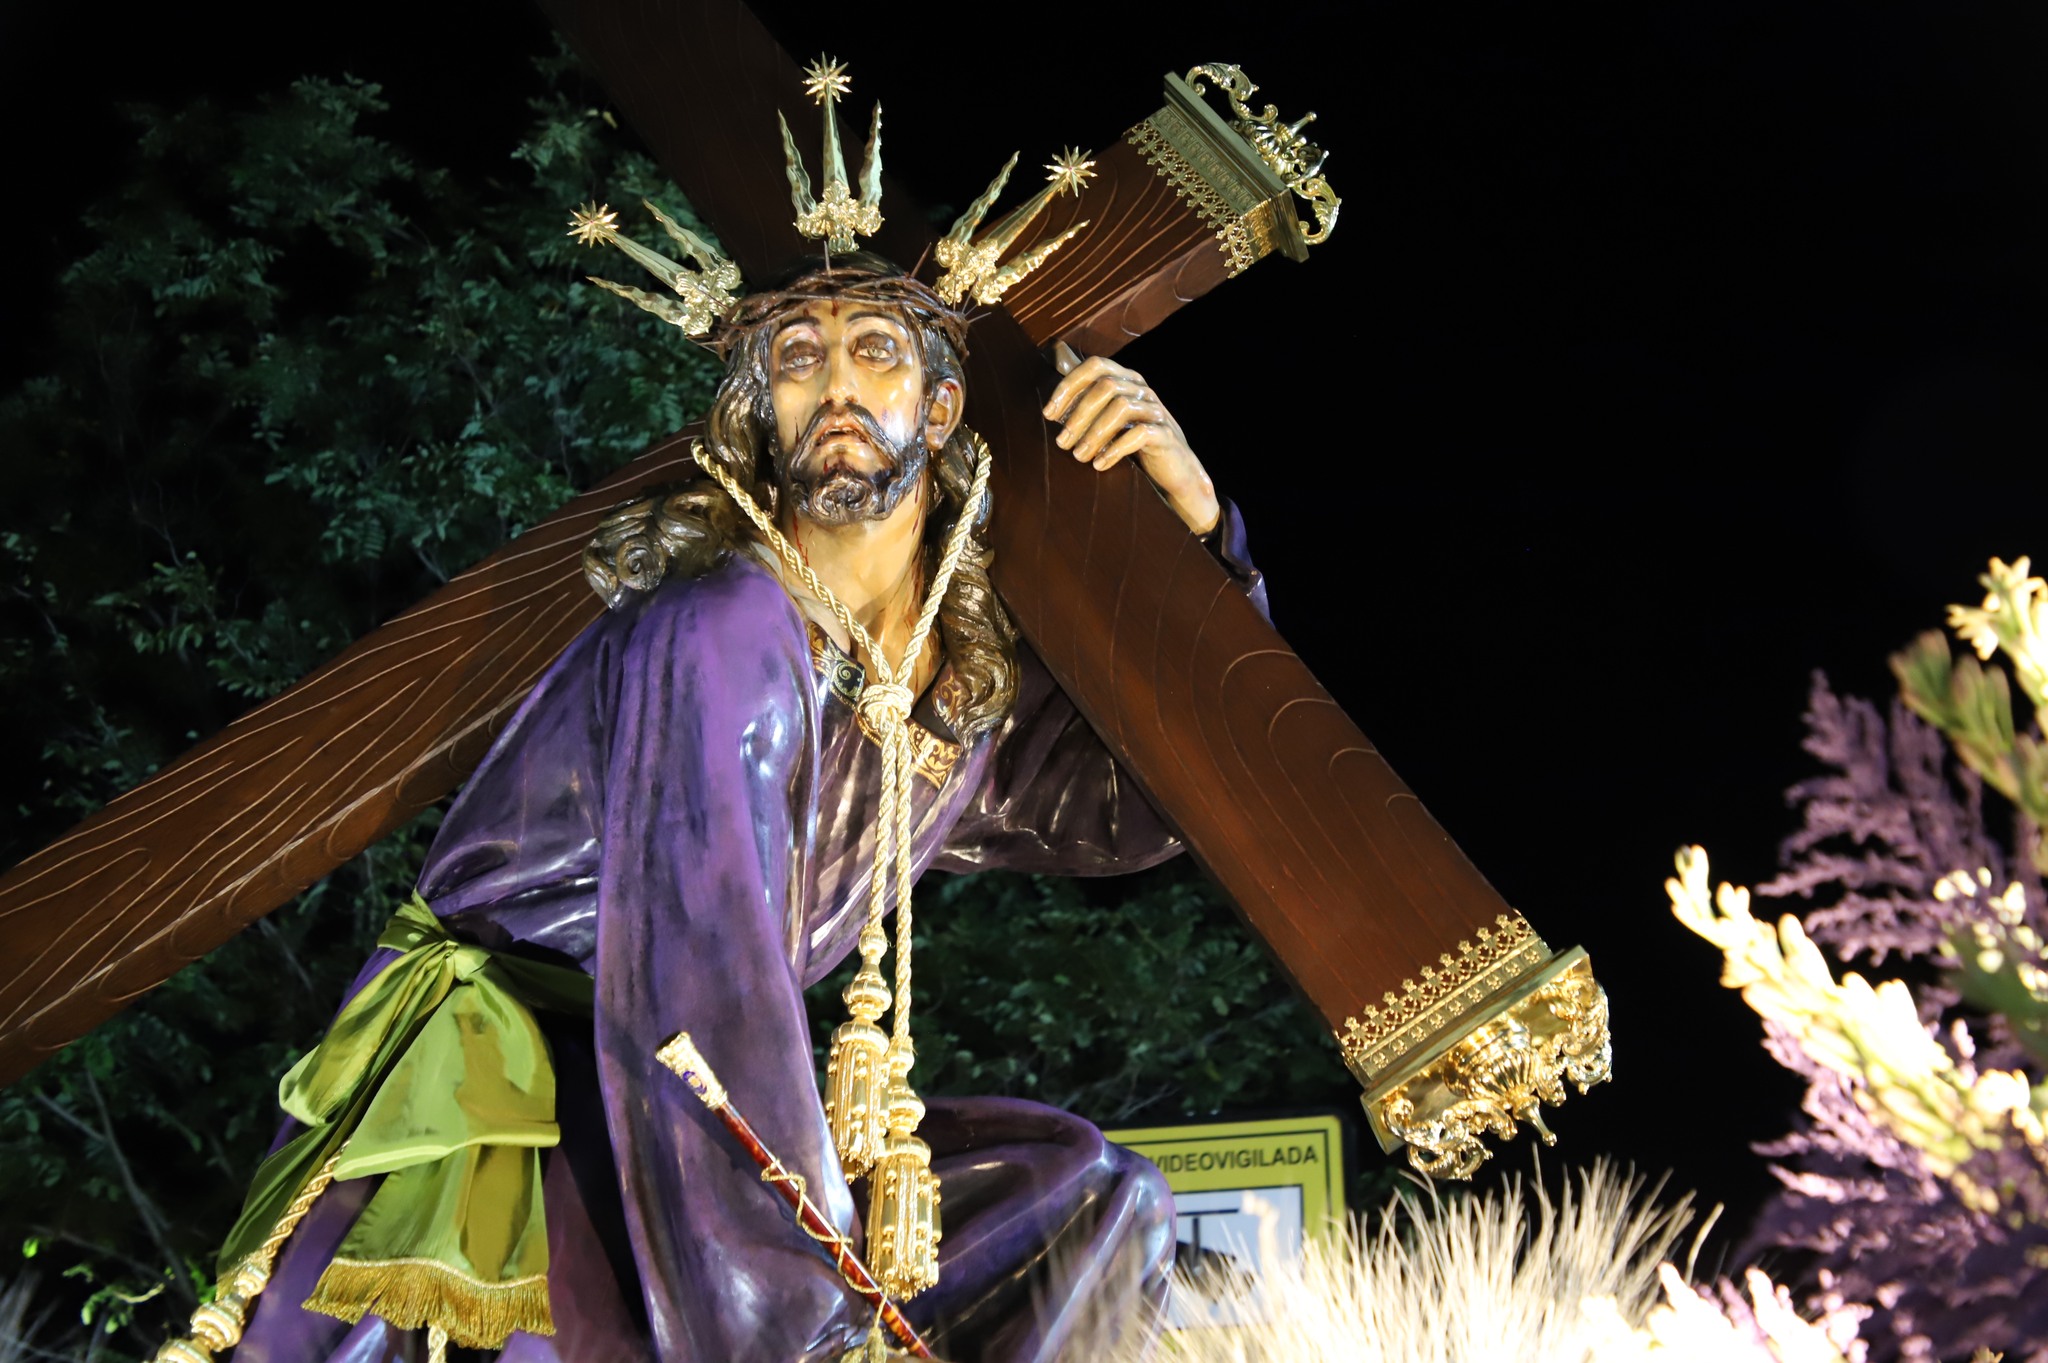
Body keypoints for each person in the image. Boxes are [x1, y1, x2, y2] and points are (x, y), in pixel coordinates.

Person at [221, 248, 1265, 1363]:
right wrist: (800, 1325)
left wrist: (1189, 545)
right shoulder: (721, 628)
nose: (836, 390)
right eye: (797, 360)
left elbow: (1138, 805)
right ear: (759, 410)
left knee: (1090, 1200)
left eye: (875, 352)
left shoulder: (936, 688)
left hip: (699, 1105)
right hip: (542, 1090)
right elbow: (698, 984)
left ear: (943, 403)